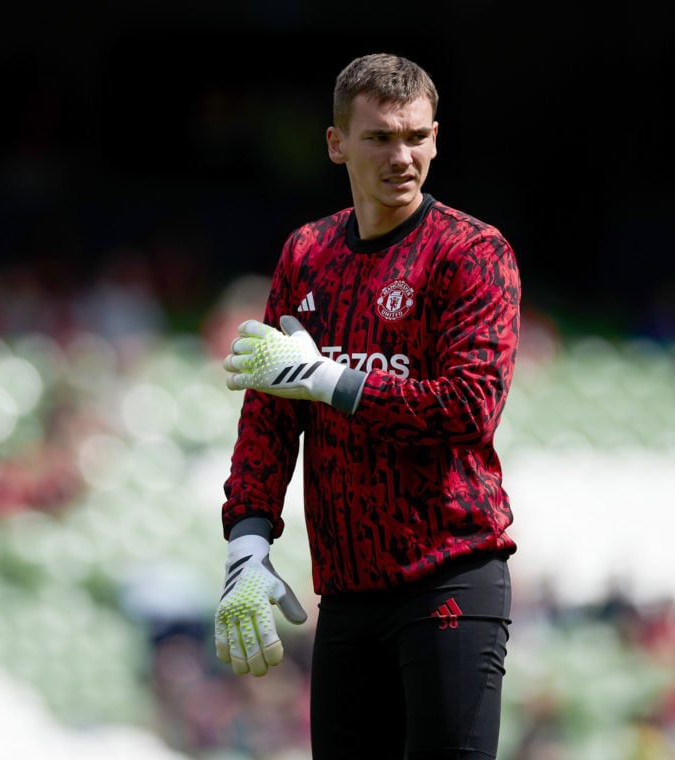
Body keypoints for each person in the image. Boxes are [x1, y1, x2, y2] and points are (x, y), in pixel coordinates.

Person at [213, 52, 521, 759]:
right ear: (337, 144)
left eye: (416, 136)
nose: (402, 156)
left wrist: (329, 380)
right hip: (347, 593)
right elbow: (269, 412)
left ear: (437, 137)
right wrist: (247, 541)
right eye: (380, 137)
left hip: (449, 573)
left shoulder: (473, 252)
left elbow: (467, 409)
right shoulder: (307, 255)